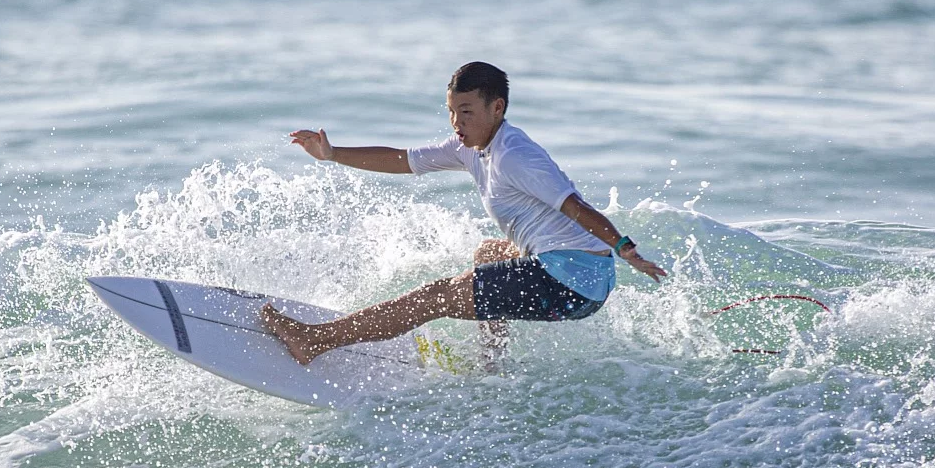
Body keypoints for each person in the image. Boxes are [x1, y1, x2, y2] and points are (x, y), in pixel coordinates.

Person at [259, 61, 667, 366]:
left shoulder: (515, 156)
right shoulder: (469, 147)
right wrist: (332, 154)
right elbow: (403, 160)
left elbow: (576, 206)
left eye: (467, 112)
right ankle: (494, 365)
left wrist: (625, 247)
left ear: (497, 107)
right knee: (489, 254)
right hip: (575, 274)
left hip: (570, 283)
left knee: (434, 296)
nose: (457, 122)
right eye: (452, 111)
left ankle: (315, 340)